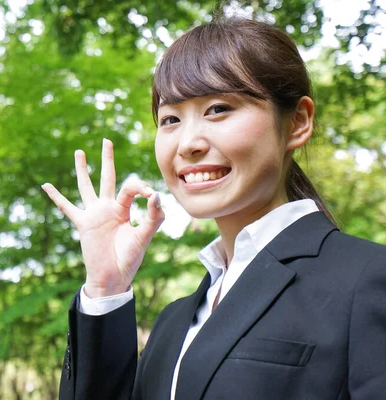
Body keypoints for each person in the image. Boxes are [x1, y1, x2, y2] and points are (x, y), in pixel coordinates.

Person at [41, 17, 386, 400]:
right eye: (170, 119)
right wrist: (106, 290)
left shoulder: (369, 280)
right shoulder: (173, 322)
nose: (187, 143)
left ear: (297, 123)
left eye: (218, 109)